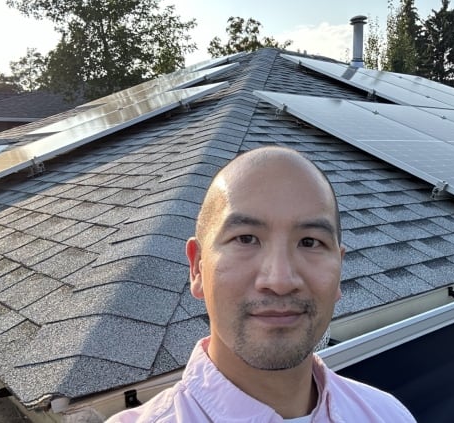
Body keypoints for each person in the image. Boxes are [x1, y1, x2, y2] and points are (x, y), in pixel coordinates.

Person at [107, 146, 416, 422]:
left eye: (310, 242)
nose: (280, 281)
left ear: (339, 267)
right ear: (197, 267)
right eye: (245, 239)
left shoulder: (388, 414)